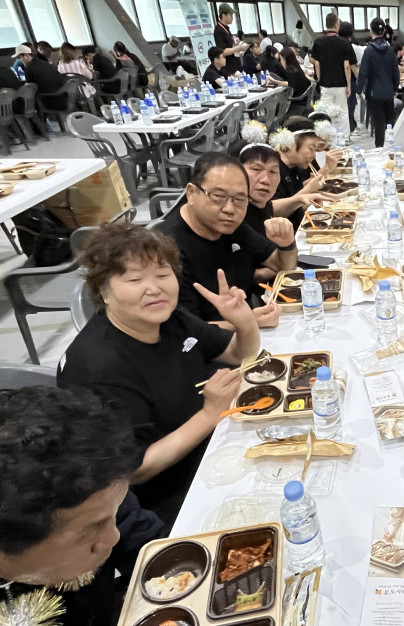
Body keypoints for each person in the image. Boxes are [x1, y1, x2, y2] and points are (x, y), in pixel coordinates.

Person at [57, 223, 262, 526]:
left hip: (214, 446)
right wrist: (210, 414)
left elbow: (237, 354)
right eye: (134, 279)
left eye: (163, 275)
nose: (154, 288)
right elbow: (136, 470)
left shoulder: (167, 317)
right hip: (170, 495)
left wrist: (244, 323)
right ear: (104, 291)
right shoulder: (98, 368)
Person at [0, 387, 165, 626]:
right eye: (88, 531)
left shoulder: (85, 482)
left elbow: (149, 546)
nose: (113, 537)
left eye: (115, 510)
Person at [158, 152, 296, 323]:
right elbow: (181, 328)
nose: (230, 209)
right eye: (218, 196)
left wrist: (286, 244)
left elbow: (283, 267)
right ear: (191, 193)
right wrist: (247, 323)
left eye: (240, 199)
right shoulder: (165, 248)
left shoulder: (229, 225)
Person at [269, 116, 328, 230]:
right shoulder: (271, 169)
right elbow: (272, 212)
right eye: (311, 148)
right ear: (290, 144)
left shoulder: (300, 165)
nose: (314, 155)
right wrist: (308, 189)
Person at [310, 12, 357, 134]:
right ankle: (344, 137)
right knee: (342, 111)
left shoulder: (318, 42)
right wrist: (349, 85)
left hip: (325, 83)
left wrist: (319, 79)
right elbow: (347, 66)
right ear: (337, 25)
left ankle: (328, 136)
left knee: (326, 112)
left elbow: (316, 64)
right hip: (341, 84)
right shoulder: (344, 43)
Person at [358, 18, 399, 148]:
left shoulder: (369, 51)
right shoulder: (390, 49)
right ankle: (391, 147)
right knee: (389, 122)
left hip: (374, 92)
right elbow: (395, 70)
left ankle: (379, 148)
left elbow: (363, 72)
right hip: (389, 91)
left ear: (371, 31)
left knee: (379, 124)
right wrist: (395, 87)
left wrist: (358, 90)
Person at [16, 44, 69, 110]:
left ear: (26, 56)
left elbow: (28, 89)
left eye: (20, 58)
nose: (20, 60)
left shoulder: (29, 68)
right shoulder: (46, 63)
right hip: (64, 99)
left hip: (50, 102)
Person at [338, 21, 364, 137]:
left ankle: (344, 128)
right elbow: (352, 66)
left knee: (340, 106)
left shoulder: (335, 44)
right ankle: (351, 127)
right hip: (349, 79)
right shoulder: (350, 46)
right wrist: (361, 82)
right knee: (350, 104)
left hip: (336, 80)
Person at [214, 3, 248, 74]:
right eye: (231, 15)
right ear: (224, 15)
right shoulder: (219, 30)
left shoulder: (226, 29)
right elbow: (223, 52)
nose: (232, 17)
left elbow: (230, 46)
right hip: (228, 68)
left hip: (235, 65)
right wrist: (238, 47)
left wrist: (238, 45)